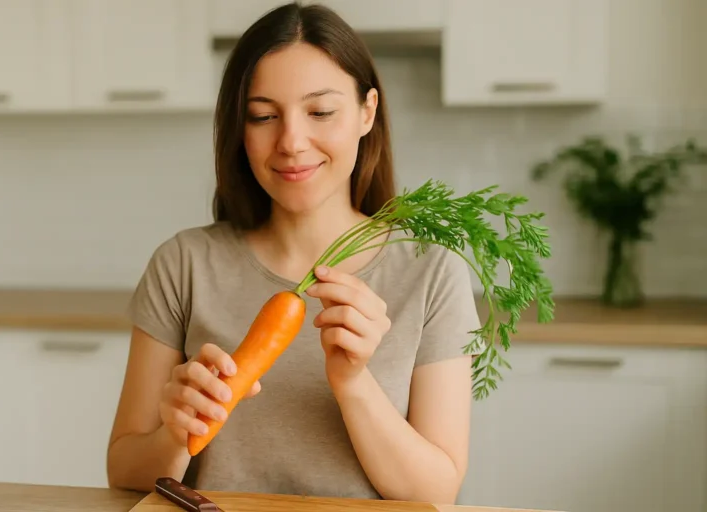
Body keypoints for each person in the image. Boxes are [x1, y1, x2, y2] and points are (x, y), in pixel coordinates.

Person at [106, 1, 481, 504]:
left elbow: (436, 492)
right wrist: (176, 434)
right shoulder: (184, 265)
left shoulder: (431, 273)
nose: (291, 142)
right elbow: (124, 472)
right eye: (263, 116)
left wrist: (353, 382)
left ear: (367, 112)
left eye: (321, 112)